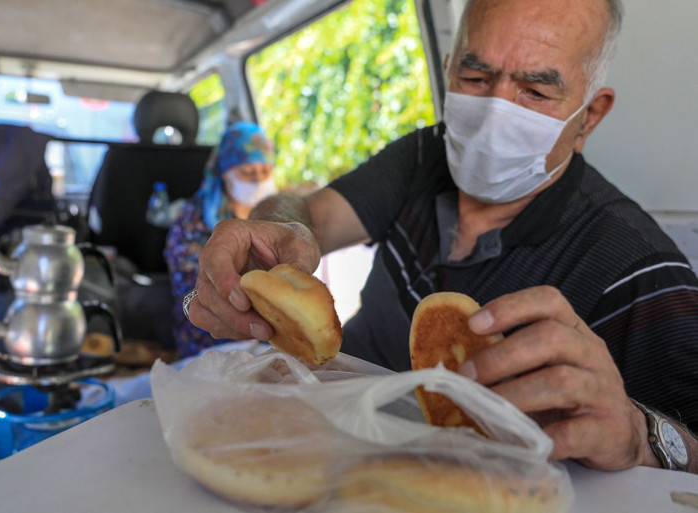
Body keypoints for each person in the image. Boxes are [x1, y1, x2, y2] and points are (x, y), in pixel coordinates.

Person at [182, 0, 698, 473]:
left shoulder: (640, 271)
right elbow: (307, 217)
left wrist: (639, 434)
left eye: (535, 90)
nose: (496, 110)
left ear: (590, 114)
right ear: (449, 67)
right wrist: (282, 230)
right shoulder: (425, 158)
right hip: (320, 439)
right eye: (476, 76)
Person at [164, 121, 277, 359]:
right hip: (208, 337)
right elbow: (188, 288)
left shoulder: (277, 218)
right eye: (247, 173)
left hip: (269, 335)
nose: (258, 181)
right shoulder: (193, 220)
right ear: (224, 173)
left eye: (265, 172)